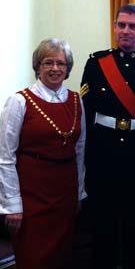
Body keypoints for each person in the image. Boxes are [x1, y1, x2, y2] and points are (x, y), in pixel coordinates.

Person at [80, 4, 135, 269]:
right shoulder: (97, 63)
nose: (125, 31)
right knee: (102, 233)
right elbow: (86, 115)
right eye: (121, 25)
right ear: (115, 27)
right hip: (103, 160)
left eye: (132, 26)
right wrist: (85, 165)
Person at [0, 38, 86, 269]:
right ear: (38, 66)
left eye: (61, 63)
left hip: (65, 194)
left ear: (68, 68)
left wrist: (78, 194)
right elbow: (5, 158)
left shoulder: (77, 101)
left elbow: (79, 150)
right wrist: (12, 205)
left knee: (62, 256)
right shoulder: (20, 101)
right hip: (32, 195)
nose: (55, 68)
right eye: (48, 62)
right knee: (33, 257)